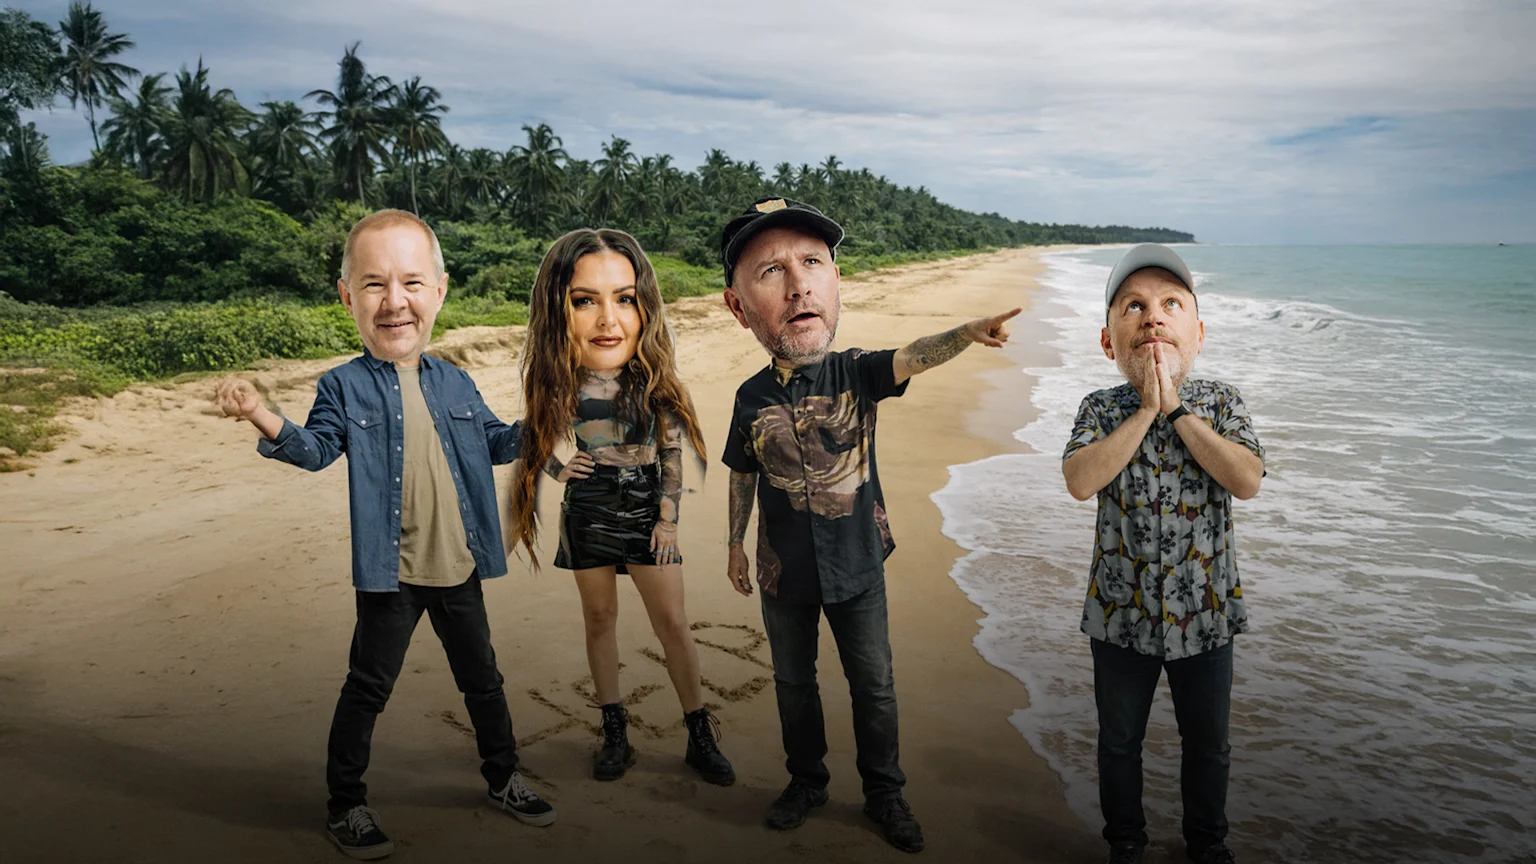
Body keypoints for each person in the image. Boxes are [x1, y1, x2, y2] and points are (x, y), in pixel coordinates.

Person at [216, 209, 555, 861]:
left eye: (411, 282)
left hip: (459, 565)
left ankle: (504, 778)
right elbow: (315, 451)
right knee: (367, 689)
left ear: (439, 292)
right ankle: (346, 805)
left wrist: (545, 421)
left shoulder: (455, 379)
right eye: (373, 284)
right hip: (390, 574)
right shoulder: (343, 386)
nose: (394, 301)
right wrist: (260, 412)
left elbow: (495, 442)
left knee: (483, 681)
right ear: (348, 298)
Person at [717, 196, 1021, 854]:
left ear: (835, 281)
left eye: (812, 263)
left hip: (858, 565)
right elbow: (742, 472)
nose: (798, 285)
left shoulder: (856, 371)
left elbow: (911, 356)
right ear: (737, 307)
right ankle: (807, 781)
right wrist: (734, 545)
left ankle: (885, 792)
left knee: (874, 686)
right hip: (782, 572)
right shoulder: (749, 398)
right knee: (794, 685)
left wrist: (965, 333)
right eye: (771, 271)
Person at [1060, 244, 1266, 864]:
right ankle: (1125, 842)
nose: (1153, 316)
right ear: (1108, 341)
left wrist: (1174, 409)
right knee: (1119, 743)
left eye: (1171, 304)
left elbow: (1246, 479)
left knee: (1209, 745)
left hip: (1207, 613)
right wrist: (1146, 408)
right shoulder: (1100, 408)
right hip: (1119, 615)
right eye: (1134, 306)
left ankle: (1208, 844)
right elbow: (1080, 481)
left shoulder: (1222, 403)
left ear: (1198, 333)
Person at [506, 228, 734, 786]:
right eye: (584, 301)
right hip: (588, 505)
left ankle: (699, 733)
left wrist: (668, 521)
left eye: (625, 299)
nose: (608, 320)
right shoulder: (558, 383)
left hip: (646, 501)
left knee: (672, 622)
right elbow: (534, 442)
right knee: (599, 618)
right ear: (560, 311)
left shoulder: (656, 383)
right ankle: (615, 732)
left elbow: (673, 457)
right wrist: (561, 470)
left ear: (643, 307)